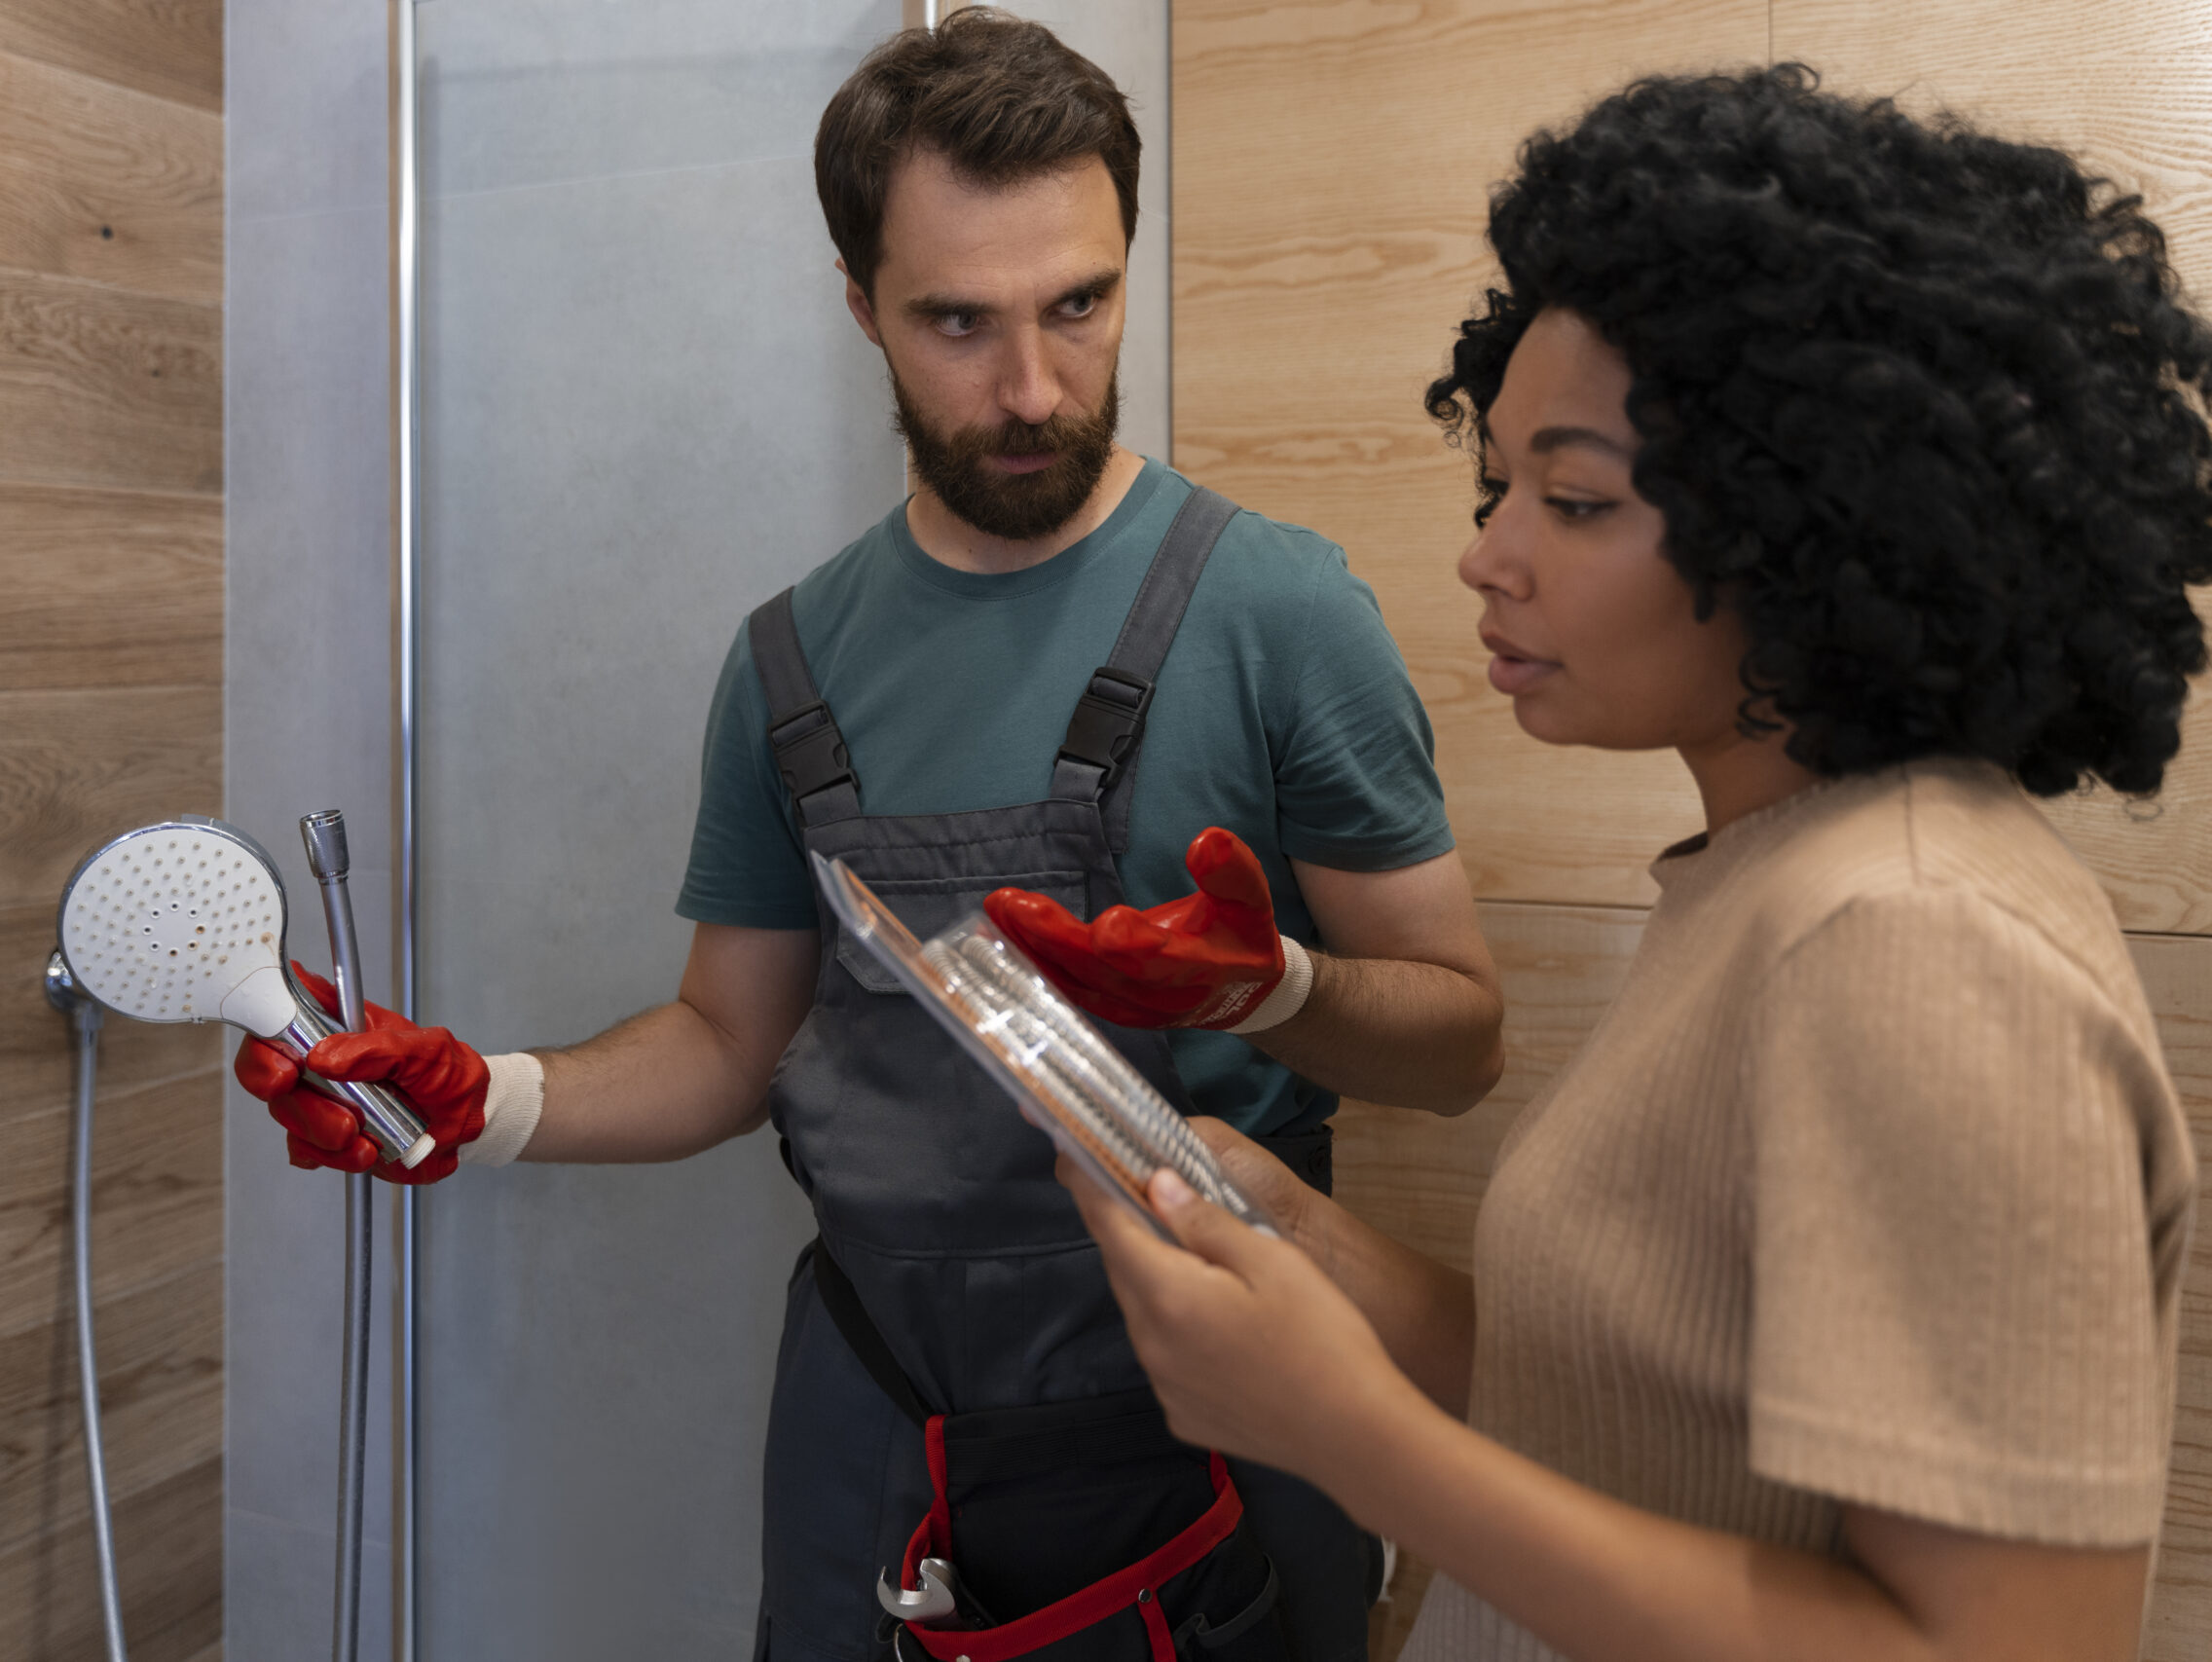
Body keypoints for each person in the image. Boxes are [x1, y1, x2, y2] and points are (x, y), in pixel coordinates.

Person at [237, 13, 1505, 1660]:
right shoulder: (792, 663)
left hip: (1215, 1415)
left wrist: (1274, 993)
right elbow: (724, 1045)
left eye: (1080, 305)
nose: (1034, 386)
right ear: (863, 311)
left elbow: (1460, 1044)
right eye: (958, 323)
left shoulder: (1277, 612)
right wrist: (494, 1100)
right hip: (874, 1428)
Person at [1055, 64, 2205, 1662]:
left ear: (1808, 523)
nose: (1488, 553)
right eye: (1500, 480)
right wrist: (1286, 1234)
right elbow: (1618, 1412)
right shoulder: (1769, 879)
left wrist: (1352, 1441)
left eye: (1575, 498)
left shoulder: (1921, 934)